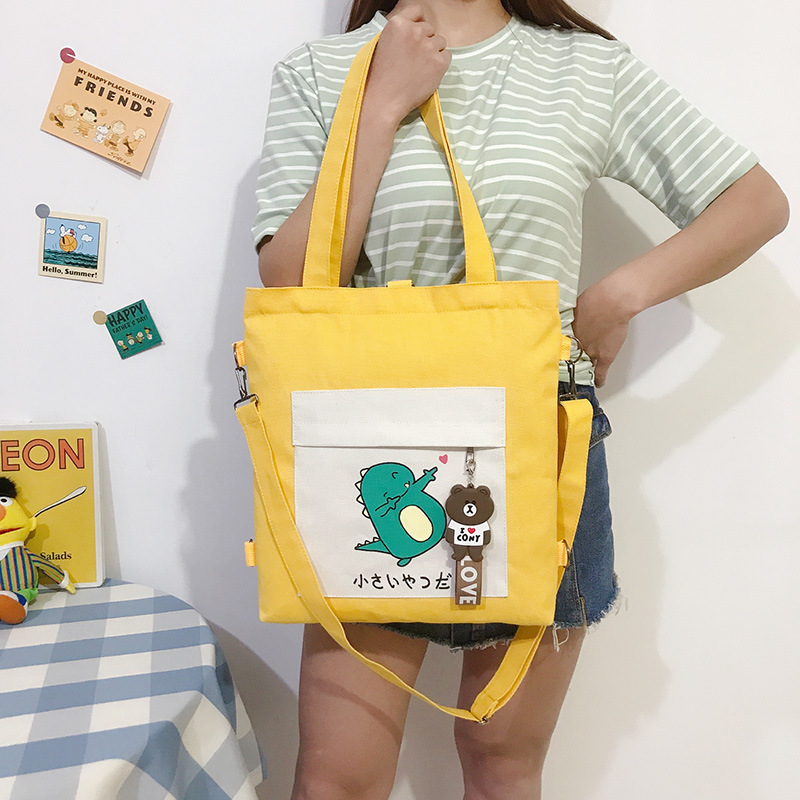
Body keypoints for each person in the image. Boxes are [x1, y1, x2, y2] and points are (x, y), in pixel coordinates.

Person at [251, 1, 789, 797]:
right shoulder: (322, 71)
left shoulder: (585, 69)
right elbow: (291, 283)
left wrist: (623, 293)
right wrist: (380, 106)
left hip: (539, 447)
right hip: (371, 445)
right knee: (338, 777)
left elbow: (757, 202)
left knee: (503, 761)